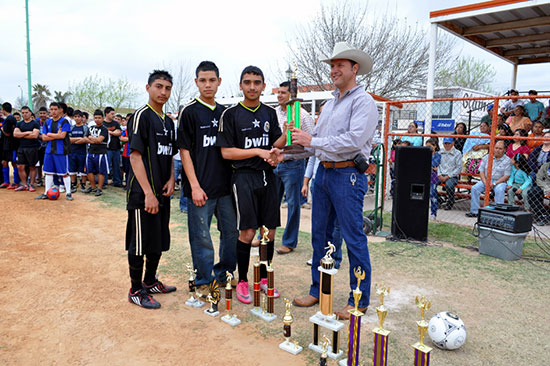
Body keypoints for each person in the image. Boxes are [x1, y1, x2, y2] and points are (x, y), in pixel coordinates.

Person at [285, 42, 377, 320]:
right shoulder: (329, 105)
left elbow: (353, 141)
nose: (334, 70)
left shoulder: (364, 102)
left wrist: (312, 141)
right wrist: (287, 151)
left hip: (348, 174)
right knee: (319, 237)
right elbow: (316, 147)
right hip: (325, 174)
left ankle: (358, 300)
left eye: (340, 64)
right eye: (332, 65)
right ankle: (318, 290)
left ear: (354, 68)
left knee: (353, 238)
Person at [216, 65, 286, 304]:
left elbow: (274, 143)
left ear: (264, 86)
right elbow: (226, 153)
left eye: (257, 83)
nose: (253, 87)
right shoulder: (231, 114)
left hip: (268, 176)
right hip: (243, 177)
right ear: (241, 85)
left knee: (270, 231)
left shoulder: (269, 113)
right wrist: (257, 151)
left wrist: (285, 137)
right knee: (247, 231)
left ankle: (264, 278)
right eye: (248, 82)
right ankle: (243, 279)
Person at [176, 61, 238, 295]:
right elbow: (184, 151)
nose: (208, 85)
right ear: (196, 82)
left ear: (219, 81)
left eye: (212, 80)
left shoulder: (225, 112)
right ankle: (204, 279)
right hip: (200, 187)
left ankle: (225, 274)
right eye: (203, 80)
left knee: (230, 232)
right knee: (201, 236)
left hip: (225, 188)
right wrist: (194, 186)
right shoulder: (189, 111)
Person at [125, 70, 177, 309]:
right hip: (141, 194)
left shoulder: (168, 121)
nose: (163, 92)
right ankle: (136, 290)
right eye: (159, 86)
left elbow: (169, 154)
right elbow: (135, 156)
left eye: (167, 87)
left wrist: (171, 178)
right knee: (139, 242)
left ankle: (150, 281)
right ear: (148, 88)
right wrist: (147, 193)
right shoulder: (140, 116)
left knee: (157, 240)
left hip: (161, 192)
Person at [273, 81, 314, 255]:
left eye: (283, 92)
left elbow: (312, 146)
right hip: (275, 163)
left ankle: (289, 241)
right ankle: (265, 236)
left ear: (292, 95)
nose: (280, 95)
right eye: (278, 92)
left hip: (294, 165)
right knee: (270, 203)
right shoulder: (274, 113)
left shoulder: (303, 116)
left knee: (293, 204)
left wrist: (290, 154)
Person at [34, 102, 73, 201]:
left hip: (61, 151)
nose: (53, 111)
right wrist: (55, 135)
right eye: (51, 109)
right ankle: (46, 192)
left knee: (64, 172)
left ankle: (68, 193)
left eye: (55, 109)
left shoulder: (64, 122)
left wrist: (50, 134)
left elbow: (62, 136)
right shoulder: (47, 122)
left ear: (60, 110)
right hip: (49, 151)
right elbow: (44, 137)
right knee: (48, 172)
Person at [466, 140, 511, 217]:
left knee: (499, 190)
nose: (497, 150)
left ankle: (498, 214)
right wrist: (485, 182)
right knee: (474, 188)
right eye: (496, 148)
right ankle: (475, 212)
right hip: (486, 180)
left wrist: (494, 184)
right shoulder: (487, 157)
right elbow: (481, 171)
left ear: (505, 150)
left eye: (500, 148)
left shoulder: (507, 160)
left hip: (499, 181)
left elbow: (506, 176)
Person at [13, 106, 41, 192]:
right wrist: (28, 133)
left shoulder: (35, 123)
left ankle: (31, 184)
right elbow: (15, 134)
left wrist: (21, 134)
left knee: (32, 167)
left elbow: (34, 135)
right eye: (23, 113)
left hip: (32, 148)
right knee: (20, 166)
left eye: (26, 112)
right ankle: (24, 184)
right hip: (21, 148)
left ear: (30, 113)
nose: (24, 114)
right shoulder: (19, 124)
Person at [83, 110, 109, 196]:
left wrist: (91, 138)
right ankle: (93, 187)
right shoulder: (90, 128)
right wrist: (93, 140)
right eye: (95, 118)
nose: (97, 119)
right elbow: (85, 138)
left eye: (99, 118)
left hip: (101, 152)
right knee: (88, 170)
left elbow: (99, 140)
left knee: (100, 171)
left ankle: (99, 188)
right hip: (91, 152)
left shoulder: (104, 129)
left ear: (103, 118)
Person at [0, 102, 21, 189]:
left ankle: (16, 182)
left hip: (12, 145)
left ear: (4, 110)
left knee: (14, 162)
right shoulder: (9, 119)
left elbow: (8, 133)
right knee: (4, 162)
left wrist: (2, 129)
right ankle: (6, 181)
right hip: (6, 145)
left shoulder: (10, 119)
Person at [438, 137, 462, 210]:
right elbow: (437, 165)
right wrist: (439, 175)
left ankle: (450, 201)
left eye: (449, 143)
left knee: (449, 185)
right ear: (443, 144)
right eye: (445, 143)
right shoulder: (439, 152)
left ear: (453, 143)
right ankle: (438, 199)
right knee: (430, 183)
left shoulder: (457, 153)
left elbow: (458, 168)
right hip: (440, 174)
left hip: (452, 176)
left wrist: (448, 176)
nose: (447, 145)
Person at [68, 110, 88, 192]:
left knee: (83, 169)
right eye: (75, 117)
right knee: (72, 169)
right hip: (72, 151)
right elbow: (69, 140)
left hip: (82, 152)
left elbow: (85, 139)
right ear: (73, 118)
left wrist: (75, 140)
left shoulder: (85, 128)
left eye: (79, 117)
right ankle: (73, 184)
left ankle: (83, 184)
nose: (77, 118)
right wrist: (79, 139)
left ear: (82, 117)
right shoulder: (71, 127)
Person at [103, 106, 123, 187]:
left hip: (116, 148)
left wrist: (110, 132)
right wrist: (113, 132)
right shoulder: (103, 124)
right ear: (106, 114)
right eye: (111, 114)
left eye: (114, 114)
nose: (113, 115)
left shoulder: (116, 123)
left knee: (116, 166)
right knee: (105, 166)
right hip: (106, 149)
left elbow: (119, 132)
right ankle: (104, 182)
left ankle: (117, 181)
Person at [528, 161, 550, 225]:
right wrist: (545, 187)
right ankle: (541, 215)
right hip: (545, 186)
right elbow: (538, 179)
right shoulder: (545, 166)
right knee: (532, 192)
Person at [426, 138, 441, 220]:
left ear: (435, 146)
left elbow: (435, 163)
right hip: (425, 175)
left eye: (430, 146)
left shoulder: (438, 155)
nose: (428, 148)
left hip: (433, 177)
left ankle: (433, 213)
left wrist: (428, 164)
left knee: (432, 194)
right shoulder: (425, 154)